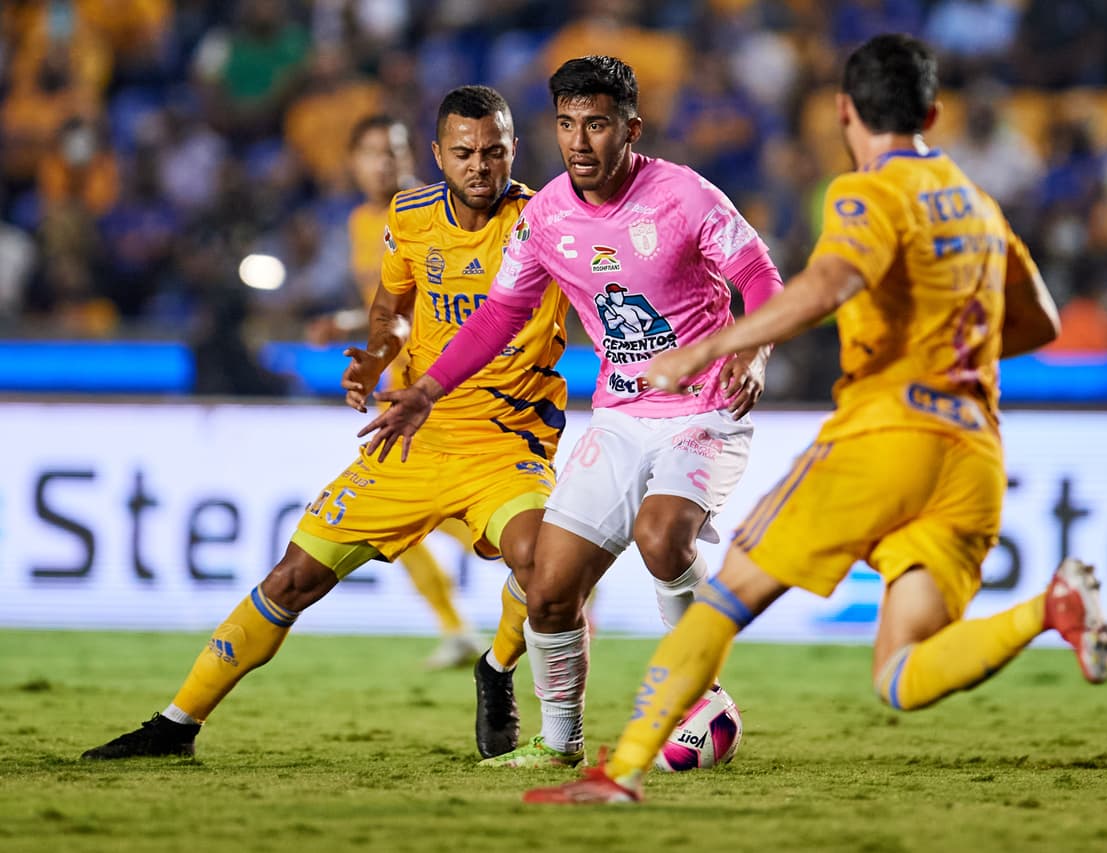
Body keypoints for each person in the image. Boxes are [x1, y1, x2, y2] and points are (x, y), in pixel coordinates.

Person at [523, 34, 1107, 805]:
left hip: (886, 436)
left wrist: (728, 341)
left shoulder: (864, 194)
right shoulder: (976, 204)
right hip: (973, 452)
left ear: (843, 113)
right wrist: (942, 348)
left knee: (725, 597)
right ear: (934, 111)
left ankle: (622, 771)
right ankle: (1051, 605)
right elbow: (1040, 323)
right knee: (900, 674)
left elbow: (827, 282)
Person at [81, 85, 569, 760]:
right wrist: (374, 357)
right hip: (413, 437)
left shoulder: (550, 219)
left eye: (493, 151)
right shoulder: (409, 214)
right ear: (437, 154)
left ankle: (497, 665)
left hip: (502, 442)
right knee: (292, 578)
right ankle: (174, 724)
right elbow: (392, 307)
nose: (480, 165)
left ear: (514, 149)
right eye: (463, 152)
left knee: (545, 561)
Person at [359, 55, 784, 769]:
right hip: (619, 416)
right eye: (566, 124)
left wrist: (755, 354)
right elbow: (499, 313)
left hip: (704, 407)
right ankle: (560, 744)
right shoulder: (547, 215)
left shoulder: (684, 196)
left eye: (597, 124)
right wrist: (427, 389)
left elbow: (761, 278)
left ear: (631, 128)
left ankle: (701, 692)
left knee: (661, 534)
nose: (580, 142)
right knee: (548, 590)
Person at [307, 113, 484, 670]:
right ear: (353, 162)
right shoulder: (362, 222)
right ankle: (459, 627)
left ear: (416, 156)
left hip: (442, 388)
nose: (384, 161)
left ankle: (559, 572)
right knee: (410, 520)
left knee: (451, 514)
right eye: (372, 151)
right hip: (399, 388)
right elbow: (389, 302)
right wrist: (344, 323)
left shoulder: (438, 214)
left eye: (395, 149)